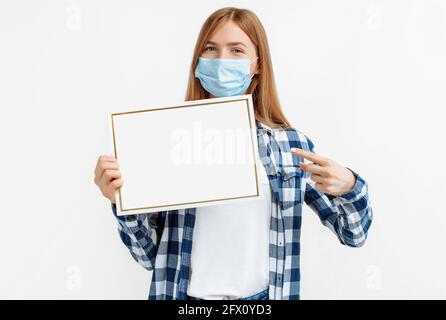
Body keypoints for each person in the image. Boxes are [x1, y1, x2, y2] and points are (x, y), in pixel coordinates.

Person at [94, 7, 373, 300]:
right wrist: (122, 201)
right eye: (211, 49)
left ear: (257, 65)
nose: (222, 60)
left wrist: (350, 186)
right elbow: (149, 257)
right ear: (198, 62)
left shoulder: (288, 146)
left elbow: (353, 234)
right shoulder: (169, 141)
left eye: (236, 50)